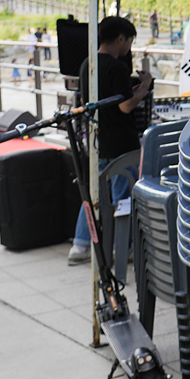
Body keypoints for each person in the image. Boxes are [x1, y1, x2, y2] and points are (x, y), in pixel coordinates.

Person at [66, 16, 153, 265]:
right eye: (130, 41)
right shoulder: (117, 67)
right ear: (120, 38)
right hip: (121, 143)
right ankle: (122, 247)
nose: (129, 47)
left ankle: (80, 245)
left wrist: (133, 92)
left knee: (94, 195)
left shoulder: (87, 64)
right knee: (122, 197)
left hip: (97, 140)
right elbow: (125, 107)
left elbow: (112, 100)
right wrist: (145, 86)